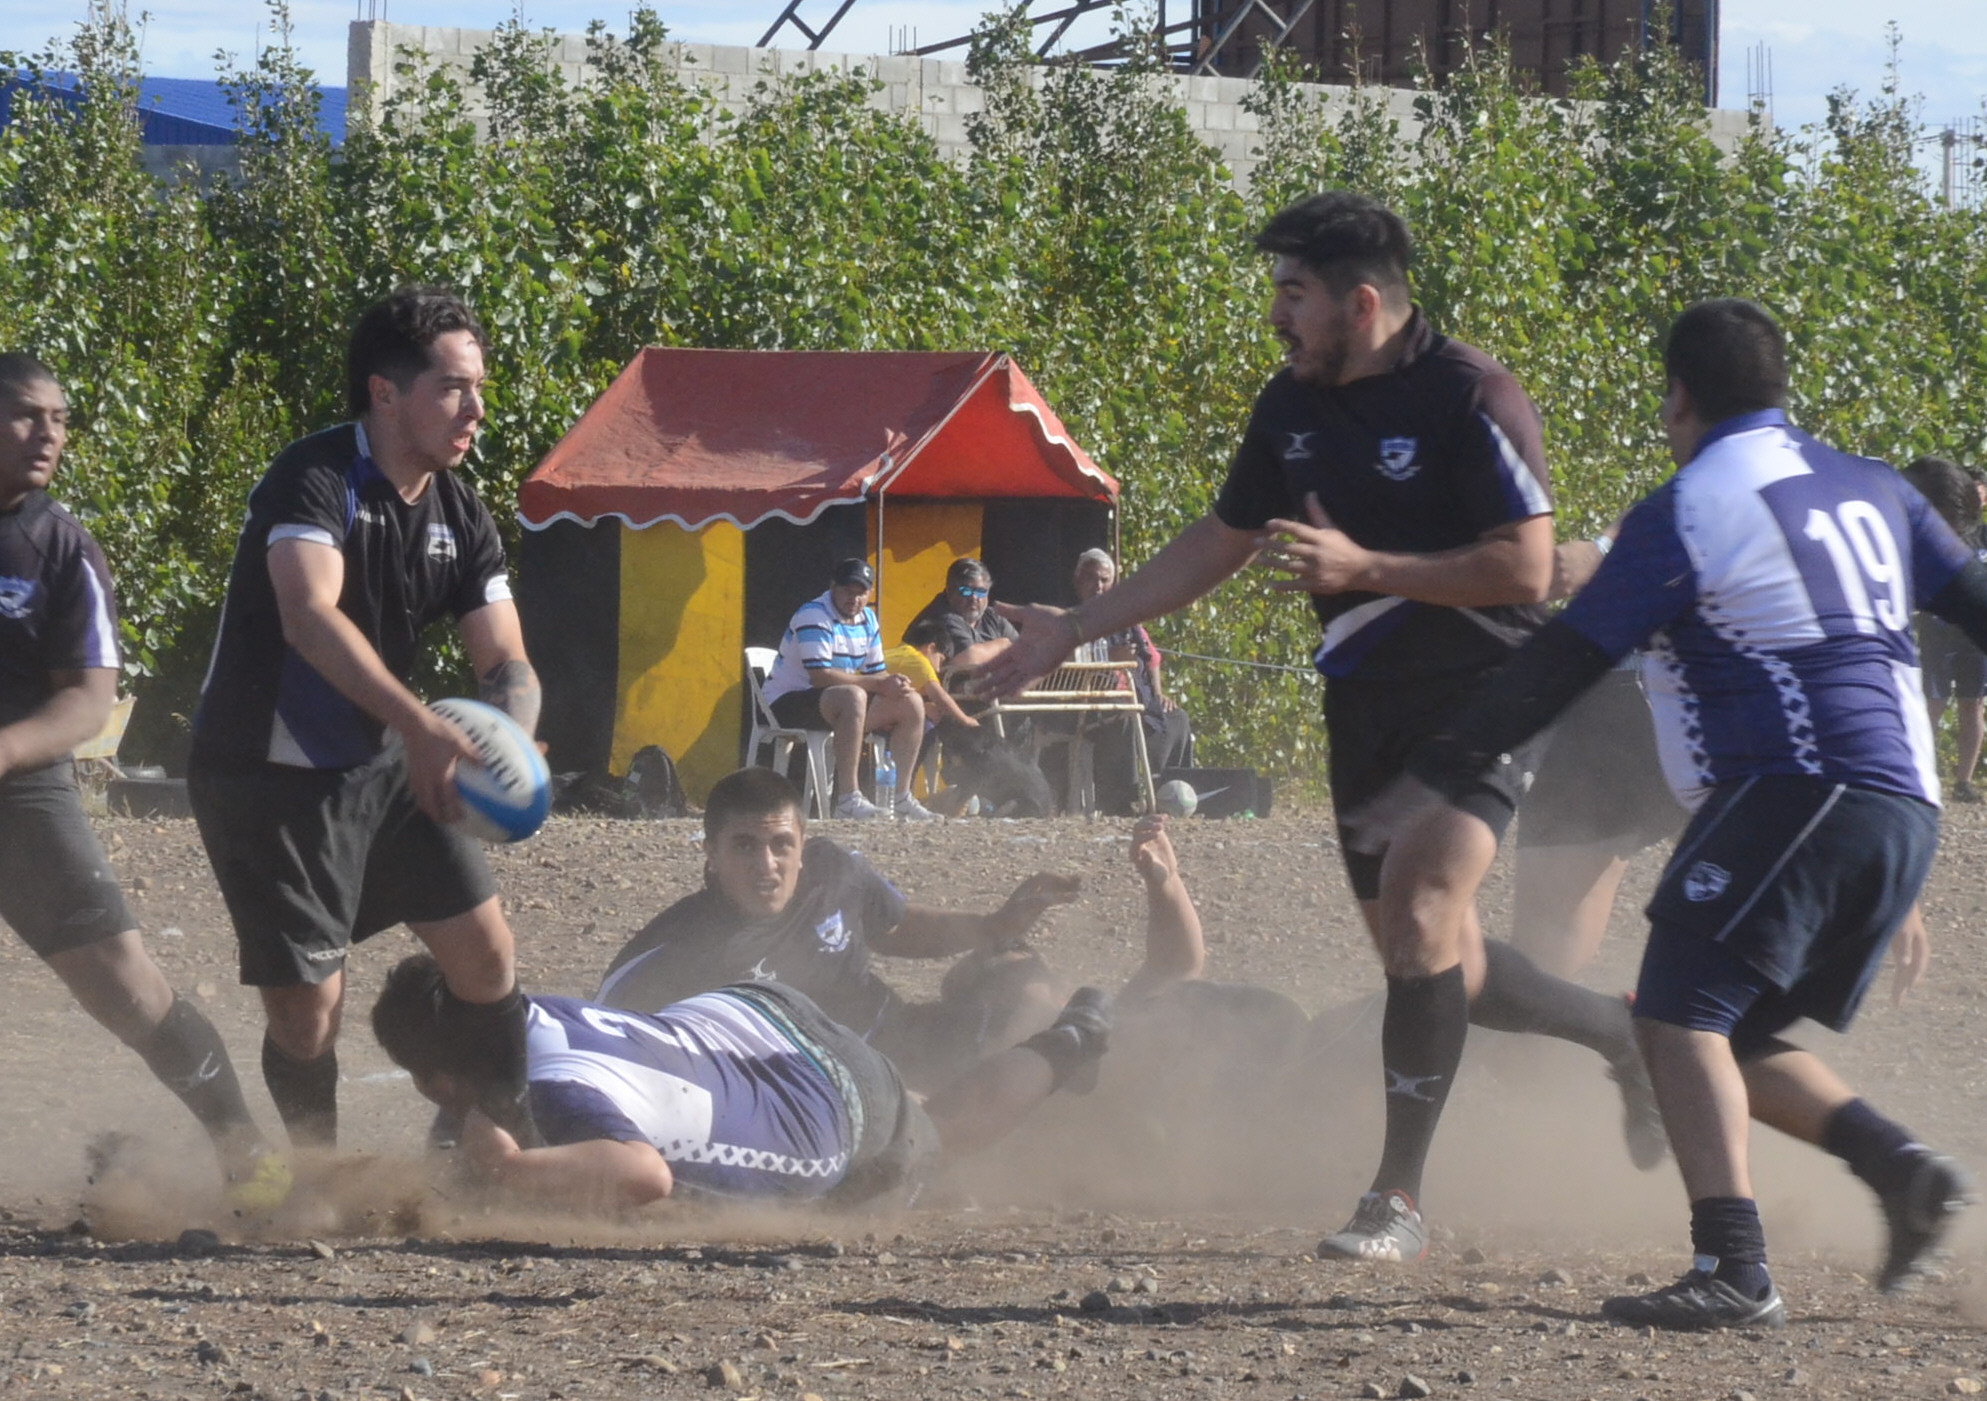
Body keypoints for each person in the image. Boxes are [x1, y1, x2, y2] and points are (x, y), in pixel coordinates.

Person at [981, 191, 1661, 1262]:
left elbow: (1528, 566)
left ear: (1359, 303)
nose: (1274, 315)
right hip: (1366, 700)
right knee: (1426, 955)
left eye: (1290, 294)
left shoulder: (1471, 393)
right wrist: (1075, 625)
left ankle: (1394, 1199)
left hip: (1488, 689)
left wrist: (1364, 570)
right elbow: (1221, 536)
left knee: (1427, 905)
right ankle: (1620, 1035)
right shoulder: (1289, 403)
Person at [1362, 298, 1982, 1329]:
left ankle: (1734, 1267)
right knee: (1718, 1036)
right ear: (1779, 388)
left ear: (1678, 394)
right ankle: (1901, 1170)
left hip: (1797, 782)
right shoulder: (1876, 489)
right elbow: (1977, 608)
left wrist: (1438, 767)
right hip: (1904, 806)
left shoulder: (1689, 505)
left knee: (1672, 1014)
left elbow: (1564, 660)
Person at [186, 287, 545, 1154]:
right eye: (454, 388)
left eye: (479, 387)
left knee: (487, 957)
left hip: (385, 765)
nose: (475, 409)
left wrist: (514, 732)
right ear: (386, 393)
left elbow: (506, 661)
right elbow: (308, 615)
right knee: (310, 1014)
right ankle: (317, 1171)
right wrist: (421, 725)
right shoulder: (313, 477)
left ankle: (506, 1139)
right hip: (268, 774)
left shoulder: (459, 510)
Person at [0, 355, 287, 1206]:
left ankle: (248, 1154)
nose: (47, 432)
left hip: (22, 796)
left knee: (126, 984)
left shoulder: (58, 547)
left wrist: (5, 750)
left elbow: (89, 702)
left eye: (58, 417)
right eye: (24, 414)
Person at [371, 955, 1113, 1213]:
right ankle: (1049, 1040)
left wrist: (508, 1167)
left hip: (824, 1098)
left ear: (438, 1078)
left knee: (934, 1135)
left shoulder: (554, 1093)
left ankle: (1071, 1041)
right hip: (753, 1016)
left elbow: (644, 1175)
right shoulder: (518, 1015)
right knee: (908, 1107)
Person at [597, 767, 1080, 1090]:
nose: (766, 865)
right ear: (711, 853)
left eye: (781, 844)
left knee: (1044, 998)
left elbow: (896, 927)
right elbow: (609, 1038)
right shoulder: (680, 946)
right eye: (744, 846)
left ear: (802, 844)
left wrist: (995, 926)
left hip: (903, 1038)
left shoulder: (834, 871)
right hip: (821, 1096)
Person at [760, 557, 933, 821]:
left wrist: (894, 683)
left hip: (834, 703)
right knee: (853, 696)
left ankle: (902, 798)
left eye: (860, 593)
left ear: (870, 593)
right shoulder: (813, 614)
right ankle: (848, 798)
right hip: (786, 703)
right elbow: (820, 676)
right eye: (847, 591)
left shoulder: (868, 619)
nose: (854, 599)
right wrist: (878, 684)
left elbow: (877, 672)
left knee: (911, 701)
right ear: (833, 588)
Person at [1065, 547, 1194, 815]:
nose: (1098, 586)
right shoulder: (1069, 621)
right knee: (1122, 719)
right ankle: (1121, 802)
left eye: (1104, 580)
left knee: (1176, 718)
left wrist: (1158, 693)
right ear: (1078, 582)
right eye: (1091, 579)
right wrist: (1111, 658)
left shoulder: (1126, 619)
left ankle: (1170, 793)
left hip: (1137, 699)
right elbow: (1067, 665)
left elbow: (1152, 658)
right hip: (1089, 703)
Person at [1901, 457, 1987, 802]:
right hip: (1937, 626)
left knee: (1972, 705)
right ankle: (1919, 772)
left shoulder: (1980, 533)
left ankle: (1963, 782)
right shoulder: (1944, 527)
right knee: (1933, 703)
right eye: (1975, 487)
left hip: (1973, 634)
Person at [906, 557, 1018, 667]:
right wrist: (1002, 645)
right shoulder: (941, 616)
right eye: (966, 591)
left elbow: (1024, 648)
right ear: (949, 591)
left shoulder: (992, 616)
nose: (974, 597)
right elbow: (970, 658)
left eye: (980, 591)